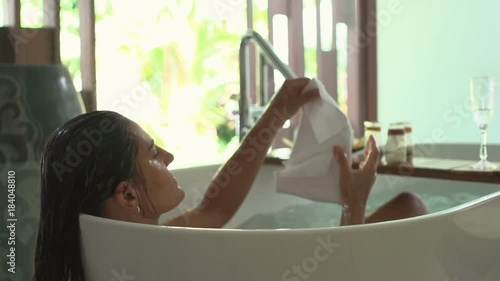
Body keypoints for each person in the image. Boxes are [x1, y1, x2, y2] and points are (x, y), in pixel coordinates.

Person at [33, 78, 427, 281]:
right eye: (153, 155)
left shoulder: (117, 248)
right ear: (129, 195)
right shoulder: (165, 262)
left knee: (407, 206)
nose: (169, 157)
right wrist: (352, 202)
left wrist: (279, 110)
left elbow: (215, 207)